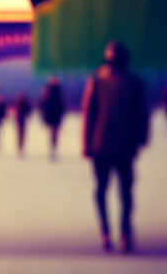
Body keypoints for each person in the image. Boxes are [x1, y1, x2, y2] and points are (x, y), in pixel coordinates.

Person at [82, 40, 149, 253]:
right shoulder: (133, 82)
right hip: (121, 145)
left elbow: (88, 114)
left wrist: (86, 143)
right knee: (122, 192)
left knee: (108, 191)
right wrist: (140, 138)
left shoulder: (97, 81)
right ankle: (121, 233)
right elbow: (142, 113)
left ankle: (111, 232)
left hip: (103, 144)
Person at [38, 76, 66, 161]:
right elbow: (43, 103)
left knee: (54, 133)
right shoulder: (49, 90)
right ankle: (52, 148)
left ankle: (53, 148)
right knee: (53, 133)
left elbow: (62, 104)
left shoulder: (56, 90)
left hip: (56, 115)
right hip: (51, 115)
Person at [13, 92, 32, 158]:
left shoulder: (18, 104)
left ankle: (20, 148)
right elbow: (28, 111)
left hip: (19, 120)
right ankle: (21, 148)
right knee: (22, 135)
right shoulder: (24, 104)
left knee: (20, 135)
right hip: (21, 121)